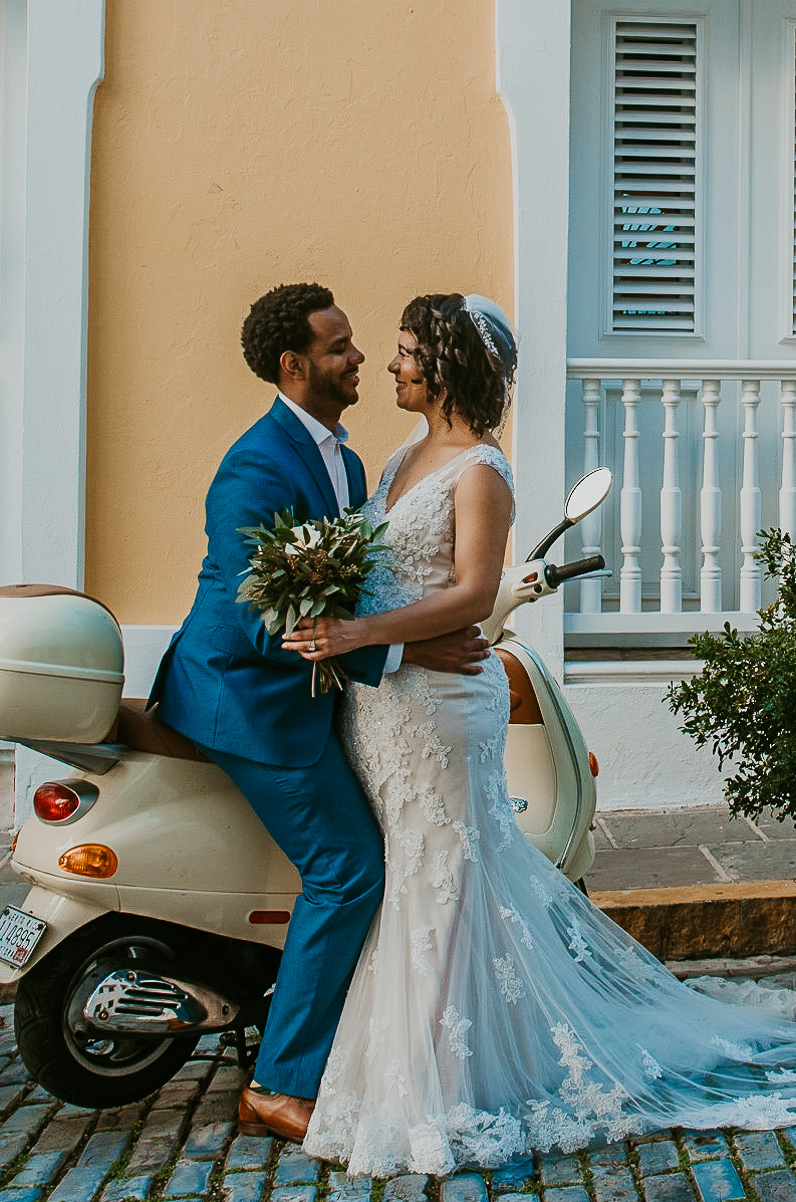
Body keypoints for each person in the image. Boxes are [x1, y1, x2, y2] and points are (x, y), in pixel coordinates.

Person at [284, 293, 796, 1177]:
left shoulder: (481, 469)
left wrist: (362, 633)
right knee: (417, 878)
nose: (392, 366)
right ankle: (437, 1067)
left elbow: (476, 595)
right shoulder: (403, 455)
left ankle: (437, 1090)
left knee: (446, 884)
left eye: (405, 352)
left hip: (439, 707)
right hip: (387, 708)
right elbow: (390, 572)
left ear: (444, 366)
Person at [149, 283, 491, 1143]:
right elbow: (253, 613)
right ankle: (278, 1082)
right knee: (349, 869)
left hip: (321, 696)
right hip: (249, 700)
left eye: (359, 342)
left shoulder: (345, 456)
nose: (362, 359)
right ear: (294, 365)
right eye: (340, 347)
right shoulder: (256, 466)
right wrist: (399, 650)